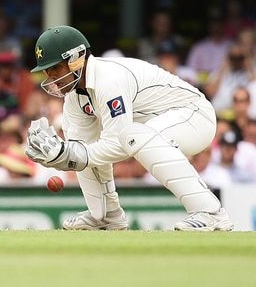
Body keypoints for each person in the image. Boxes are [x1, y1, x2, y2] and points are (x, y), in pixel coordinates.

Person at [25, 25, 233, 231]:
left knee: (132, 136)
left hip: (194, 116)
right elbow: (82, 146)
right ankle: (106, 215)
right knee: (82, 143)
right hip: (156, 125)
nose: (51, 77)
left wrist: (71, 155)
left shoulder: (109, 79)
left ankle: (210, 212)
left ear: (76, 59)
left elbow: (118, 144)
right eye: (47, 70)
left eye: (56, 68)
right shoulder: (74, 98)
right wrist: (64, 156)